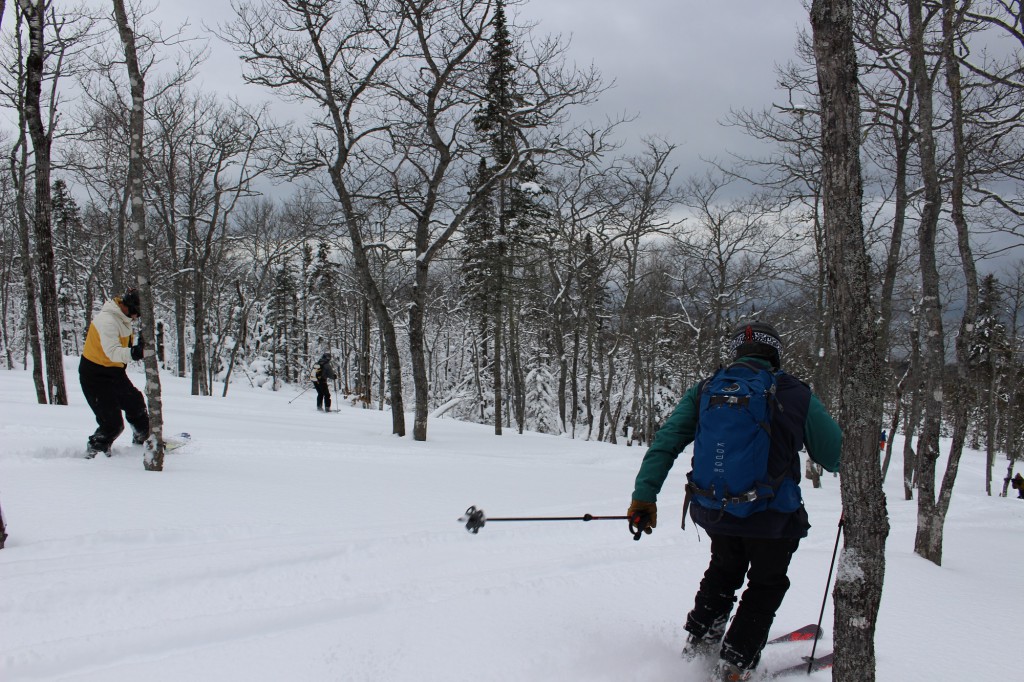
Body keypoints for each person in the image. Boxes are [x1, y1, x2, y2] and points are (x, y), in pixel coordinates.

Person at [627, 321, 842, 682]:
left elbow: (665, 442)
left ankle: (700, 647)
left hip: (717, 511)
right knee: (765, 584)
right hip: (774, 517)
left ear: (736, 353)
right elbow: (834, 456)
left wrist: (643, 497)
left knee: (723, 572)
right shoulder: (794, 393)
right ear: (775, 353)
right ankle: (735, 666)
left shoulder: (706, 390)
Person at [79, 288, 149, 458]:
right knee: (112, 423)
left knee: (136, 405)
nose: (137, 317)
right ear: (131, 308)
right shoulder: (108, 321)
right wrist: (135, 352)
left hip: (114, 372)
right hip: (94, 376)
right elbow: (112, 351)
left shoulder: (122, 317)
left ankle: (145, 439)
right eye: (138, 313)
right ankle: (96, 451)